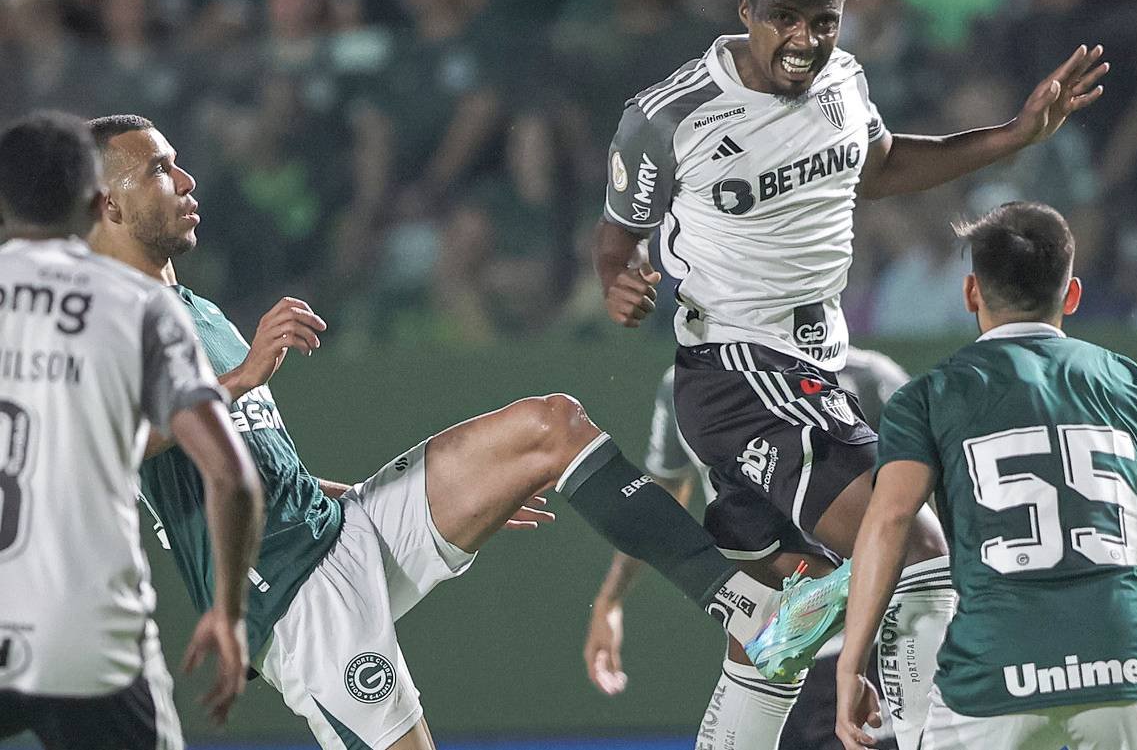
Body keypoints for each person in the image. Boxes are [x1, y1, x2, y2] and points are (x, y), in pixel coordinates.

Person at [86, 114, 838, 750]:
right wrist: (241, 378)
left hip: (342, 527)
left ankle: (749, 606)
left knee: (551, 426)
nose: (186, 182)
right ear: (106, 203)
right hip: (294, 605)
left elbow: (245, 460)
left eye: (179, 165)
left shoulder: (198, 309)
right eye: (159, 170)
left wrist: (469, 495)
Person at [596, 0, 1108, 749]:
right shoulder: (667, 115)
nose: (805, 40)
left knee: (773, 630)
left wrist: (1013, 135)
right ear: (745, 10)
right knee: (910, 543)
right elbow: (617, 236)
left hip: (812, 372)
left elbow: (880, 166)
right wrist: (618, 284)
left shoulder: (842, 79)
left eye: (823, 21)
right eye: (785, 18)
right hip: (739, 369)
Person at [833, 202, 1137, 749]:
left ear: (971, 292)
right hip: (1130, 673)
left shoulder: (928, 398)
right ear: (1071, 294)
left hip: (992, 683)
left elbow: (889, 522)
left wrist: (850, 666)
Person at [0, 111, 263, 749]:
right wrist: (227, 612)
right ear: (96, 200)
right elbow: (230, 477)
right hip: (89, 636)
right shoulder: (139, 305)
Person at [584, 348, 911, 750]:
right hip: (764, 652)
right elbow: (661, 498)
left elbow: (920, 488)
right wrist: (610, 600)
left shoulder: (864, 375)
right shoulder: (683, 388)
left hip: (864, 643)